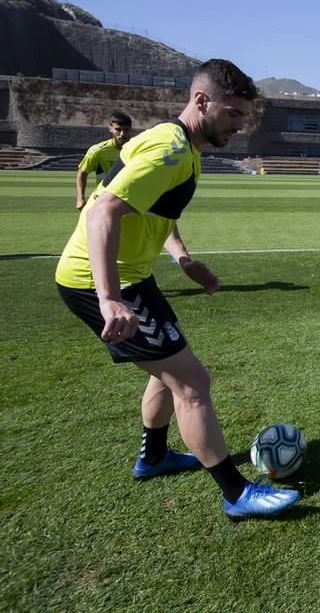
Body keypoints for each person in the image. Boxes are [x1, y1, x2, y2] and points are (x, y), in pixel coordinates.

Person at [55, 59, 300, 518]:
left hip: (132, 277)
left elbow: (151, 211)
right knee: (191, 381)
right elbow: (102, 212)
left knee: (166, 368)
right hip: (100, 281)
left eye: (244, 117)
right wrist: (109, 297)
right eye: (233, 114)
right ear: (202, 101)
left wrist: (183, 259)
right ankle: (236, 493)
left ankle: (153, 457)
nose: (239, 126)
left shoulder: (182, 147)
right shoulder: (169, 148)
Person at [76, 111, 132, 210]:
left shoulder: (138, 150)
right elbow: (82, 172)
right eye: (118, 130)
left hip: (129, 198)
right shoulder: (99, 151)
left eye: (126, 130)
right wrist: (80, 198)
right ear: (110, 128)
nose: (122, 134)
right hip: (104, 198)